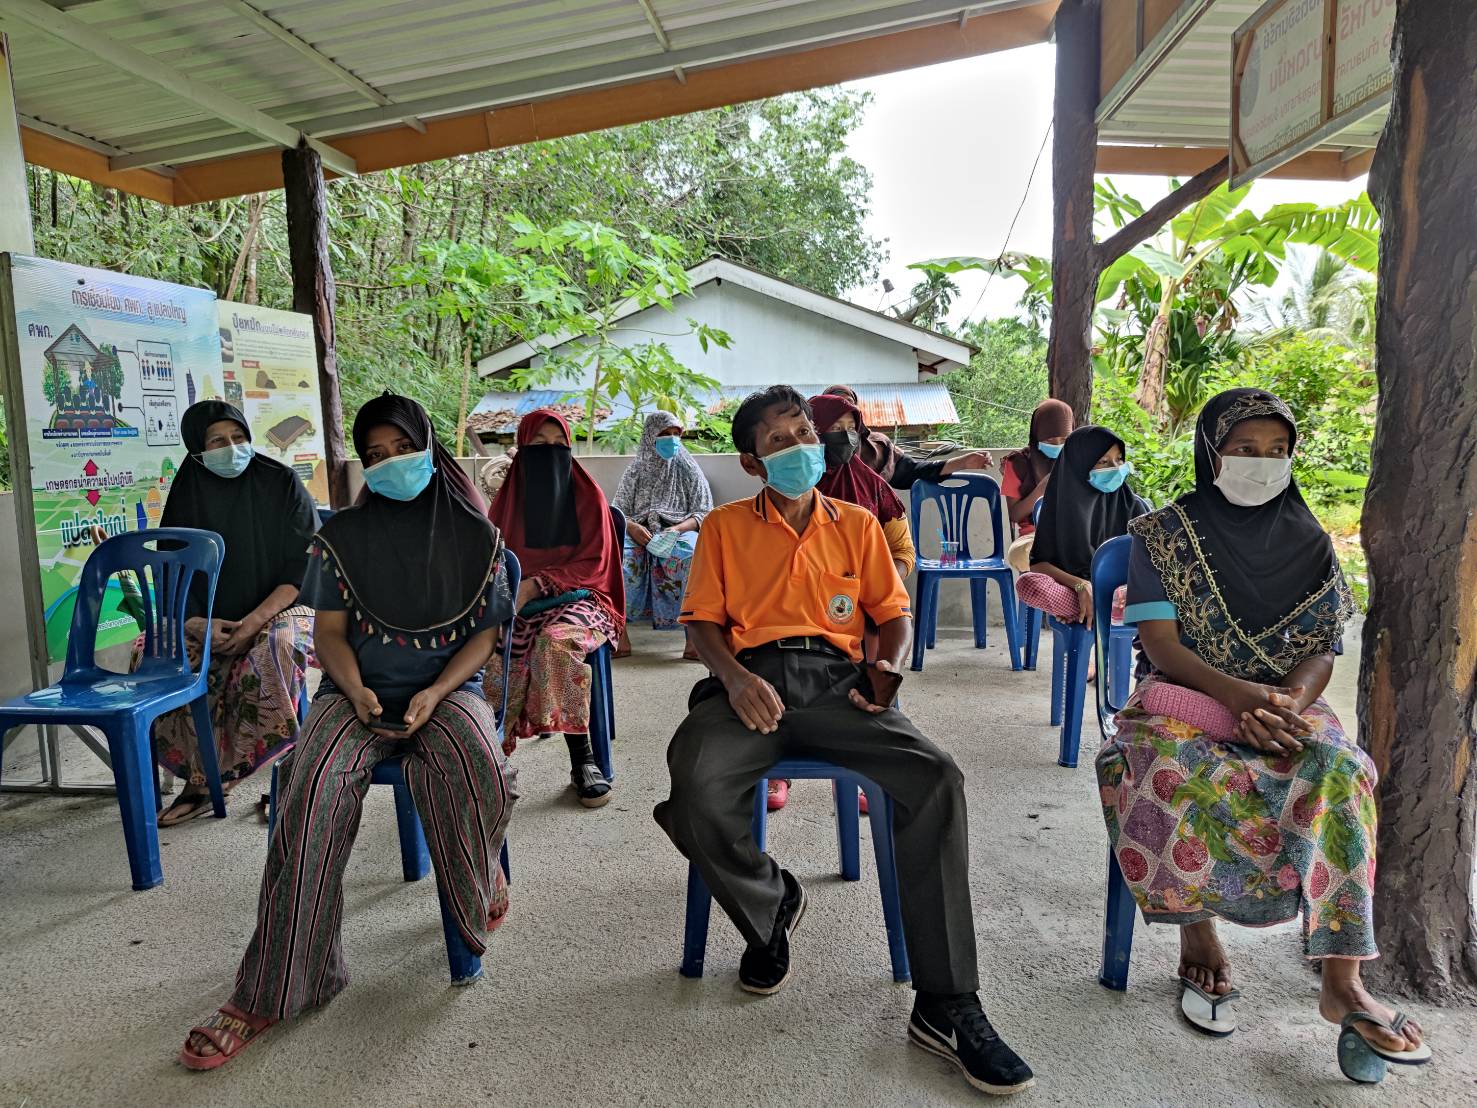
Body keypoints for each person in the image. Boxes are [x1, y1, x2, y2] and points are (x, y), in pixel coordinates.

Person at [654, 385, 1035, 1097]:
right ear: (752, 461)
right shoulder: (725, 528)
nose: (800, 447)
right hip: (749, 682)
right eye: (778, 441)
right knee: (694, 785)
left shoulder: (857, 523)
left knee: (935, 776)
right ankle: (771, 904)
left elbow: (892, 614)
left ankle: (945, 1000)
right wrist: (734, 678)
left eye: (803, 433)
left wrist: (890, 668)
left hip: (839, 682)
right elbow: (701, 621)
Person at [179, 394, 516, 1071]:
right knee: (310, 794)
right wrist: (358, 690)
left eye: (404, 449)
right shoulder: (344, 539)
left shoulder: (475, 535)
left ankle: (482, 882)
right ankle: (273, 988)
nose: (392, 464)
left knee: (475, 763)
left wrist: (435, 691)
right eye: (376, 456)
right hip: (354, 692)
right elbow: (329, 635)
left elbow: (483, 639)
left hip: (449, 689)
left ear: (429, 449)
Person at [1098, 388, 1429, 1075]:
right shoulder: (1163, 535)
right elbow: (1160, 643)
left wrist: (1286, 703)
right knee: (1162, 770)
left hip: (1284, 704)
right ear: (1211, 452)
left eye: (1278, 451)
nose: (1262, 463)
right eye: (1245, 449)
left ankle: (1341, 978)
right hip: (1185, 696)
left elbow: (1323, 647)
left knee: (1340, 772)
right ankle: (1197, 937)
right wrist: (1238, 695)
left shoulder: (1310, 540)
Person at [140, 400, 317, 827]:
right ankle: (202, 781)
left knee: (275, 649)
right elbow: (172, 570)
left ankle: (286, 776)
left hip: (283, 606)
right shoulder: (188, 492)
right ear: (197, 450)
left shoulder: (280, 481)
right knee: (154, 651)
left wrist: (253, 622)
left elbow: (303, 568)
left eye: (238, 437)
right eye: (217, 441)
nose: (232, 448)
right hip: (209, 617)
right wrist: (197, 623)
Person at [765, 391, 914, 812]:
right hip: (799, 613)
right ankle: (776, 769)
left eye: (852, 429)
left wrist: (870, 584)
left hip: (861, 613)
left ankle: (868, 764)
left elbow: (903, 552)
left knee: (878, 662)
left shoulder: (874, 489)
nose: (844, 438)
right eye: (833, 429)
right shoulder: (788, 488)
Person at [487, 409, 625, 808]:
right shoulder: (507, 502)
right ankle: (489, 751)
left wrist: (536, 584)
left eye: (559, 445)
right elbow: (491, 561)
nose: (550, 453)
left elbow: (595, 564)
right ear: (521, 449)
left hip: (585, 598)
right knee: (487, 651)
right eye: (538, 445)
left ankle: (583, 759)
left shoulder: (588, 495)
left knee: (556, 643)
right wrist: (511, 594)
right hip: (519, 603)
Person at [1014, 425, 1148, 629]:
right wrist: (1081, 585)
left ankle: (1092, 610)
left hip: (1127, 593)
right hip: (1075, 590)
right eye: (1103, 462)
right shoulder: (1059, 506)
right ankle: (1092, 607)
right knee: (1029, 584)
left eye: (1119, 459)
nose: (1115, 468)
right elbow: (1039, 564)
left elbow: (1151, 563)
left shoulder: (1132, 505)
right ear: (1080, 464)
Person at [612, 411, 713, 659]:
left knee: (691, 558)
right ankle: (620, 636)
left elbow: (703, 511)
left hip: (679, 529)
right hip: (639, 529)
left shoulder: (688, 468)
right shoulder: (635, 470)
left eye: (676, 434)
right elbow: (617, 511)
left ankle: (694, 640)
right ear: (650, 436)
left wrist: (677, 529)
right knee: (618, 559)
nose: (672, 439)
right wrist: (632, 527)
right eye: (664, 434)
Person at [821, 384, 992, 489]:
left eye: (851, 425)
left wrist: (963, 462)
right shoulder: (813, 455)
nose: (844, 433)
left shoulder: (878, 447)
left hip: (870, 530)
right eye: (836, 426)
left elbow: (914, 471)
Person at [1000, 399, 1075, 573]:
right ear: (1037, 436)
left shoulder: (1078, 461)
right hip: (1033, 536)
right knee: (1023, 554)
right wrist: (1041, 489)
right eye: (1050, 440)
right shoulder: (1018, 464)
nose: (1057, 445)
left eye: (1064, 440)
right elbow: (1015, 514)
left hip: (1073, 533)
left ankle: (1074, 585)